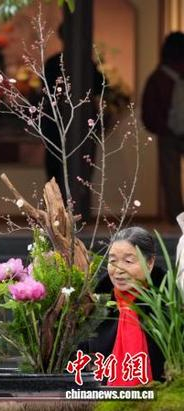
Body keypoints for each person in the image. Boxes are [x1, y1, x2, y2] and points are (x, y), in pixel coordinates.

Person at [86, 227, 165, 385]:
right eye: (113, 261)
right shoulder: (94, 306)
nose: (118, 270)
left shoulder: (168, 308)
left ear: (150, 263)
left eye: (128, 261)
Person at [41, 23, 103, 217]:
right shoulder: (80, 64)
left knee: (67, 166)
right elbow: (100, 87)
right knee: (72, 167)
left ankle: (66, 213)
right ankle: (68, 214)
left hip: (63, 123)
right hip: (60, 124)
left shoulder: (57, 63)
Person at [141, 32, 184, 222]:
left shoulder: (158, 78)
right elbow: (150, 111)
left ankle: (176, 219)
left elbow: (149, 111)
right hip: (168, 133)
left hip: (168, 132)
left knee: (170, 178)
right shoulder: (159, 79)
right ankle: (177, 218)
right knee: (170, 178)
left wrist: (163, 128)